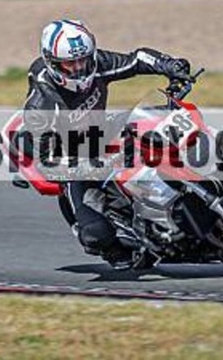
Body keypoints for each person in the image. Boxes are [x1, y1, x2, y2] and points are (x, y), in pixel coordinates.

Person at [22, 19, 192, 269]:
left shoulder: (98, 63)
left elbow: (137, 59)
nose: (79, 68)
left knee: (161, 124)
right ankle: (121, 249)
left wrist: (169, 65)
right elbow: (48, 164)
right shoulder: (42, 106)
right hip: (73, 159)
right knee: (95, 234)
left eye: (83, 60)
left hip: (101, 130)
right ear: (53, 63)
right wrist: (93, 166)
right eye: (70, 64)